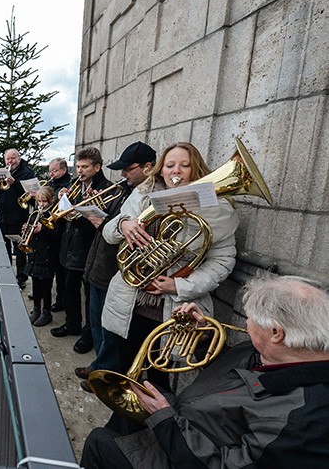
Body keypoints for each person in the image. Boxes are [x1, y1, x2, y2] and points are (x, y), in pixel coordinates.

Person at [81, 275, 329, 468]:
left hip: (191, 451)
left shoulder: (305, 421)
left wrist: (166, 421)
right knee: (133, 401)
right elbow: (235, 375)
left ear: (277, 333)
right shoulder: (286, 352)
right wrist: (201, 337)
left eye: (251, 318)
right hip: (192, 424)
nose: (246, 323)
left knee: (99, 442)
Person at [97, 142, 239, 390]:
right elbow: (109, 233)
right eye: (170, 165)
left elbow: (223, 262)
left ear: (196, 170)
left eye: (185, 166)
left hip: (174, 308)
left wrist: (180, 285)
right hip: (129, 301)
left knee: (159, 378)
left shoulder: (218, 209)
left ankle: (155, 422)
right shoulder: (142, 194)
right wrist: (123, 225)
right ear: (160, 169)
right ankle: (122, 423)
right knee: (123, 365)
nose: (176, 171)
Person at [75, 142, 156, 386]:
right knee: (100, 324)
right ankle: (99, 366)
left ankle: (105, 375)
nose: (122, 174)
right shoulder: (128, 190)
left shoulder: (141, 194)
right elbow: (111, 226)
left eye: (128, 169)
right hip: (99, 264)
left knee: (110, 330)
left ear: (148, 167)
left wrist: (105, 218)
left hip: (115, 269)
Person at [51, 147, 111, 348]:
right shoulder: (75, 185)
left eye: (85, 167)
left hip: (88, 251)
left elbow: (98, 226)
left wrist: (73, 217)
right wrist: (63, 199)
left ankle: (88, 335)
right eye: (78, 166)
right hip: (69, 247)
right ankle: (72, 324)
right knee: (69, 290)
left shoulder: (105, 188)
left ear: (97, 167)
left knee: (89, 298)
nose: (80, 171)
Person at [0, 148, 36, 289]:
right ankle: (6, 275)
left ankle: (21, 277)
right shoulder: (0, 172)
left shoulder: (27, 173)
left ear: (19, 158)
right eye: (8, 159)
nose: (10, 161)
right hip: (2, 216)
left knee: (19, 250)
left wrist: (15, 183)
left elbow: (32, 195)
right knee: (3, 248)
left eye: (13, 158)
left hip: (19, 217)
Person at [22, 186, 61, 327]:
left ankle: (46, 311)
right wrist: (28, 229)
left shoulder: (54, 214)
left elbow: (57, 235)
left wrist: (42, 229)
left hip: (47, 254)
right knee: (36, 284)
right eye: (39, 201)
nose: (41, 204)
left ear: (51, 200)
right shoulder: (36, 212)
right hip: (35, 252)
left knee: (46, 285)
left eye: (44, 201)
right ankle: (36, 308)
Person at [46, 157, 72, 312]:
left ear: (64, 170)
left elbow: (63, 208)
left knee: (61, 272)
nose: (51, 174)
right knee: (54, 267)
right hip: (52, 231)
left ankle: (60, 300)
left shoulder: (68, 185)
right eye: (50, 171)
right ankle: (55, 297)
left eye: (54, 171)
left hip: (61, 231)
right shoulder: (51, 184)